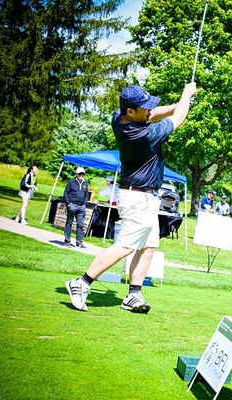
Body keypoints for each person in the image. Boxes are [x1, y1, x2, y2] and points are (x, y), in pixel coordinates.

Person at [66, 82, 197, 313]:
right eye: (144, 108)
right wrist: (186, 94)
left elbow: (153, 114)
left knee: (148, 247)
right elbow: (177, 120)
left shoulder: (120, 117)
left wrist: (181, 103)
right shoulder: (143, 135)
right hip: (137, 198)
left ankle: (133, 295)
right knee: (126, 246)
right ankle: (81, 283)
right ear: (130, 111)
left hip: (145, 197)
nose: (149, 111)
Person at [63, 167, 89, 248]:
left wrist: (84, 204)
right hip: (72, 204)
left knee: (80, 225)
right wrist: (68, 204)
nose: (81, 175)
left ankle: (79, 242)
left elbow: (86, 195)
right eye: (80, 174)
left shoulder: (85, 184)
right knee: (69, 223)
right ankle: (67, 241)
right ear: (76, 174)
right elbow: (66, 193)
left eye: (83, 174)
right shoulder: (71, 182)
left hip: (81, 206)